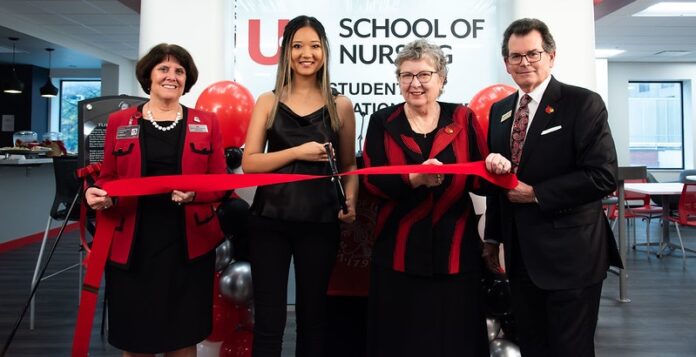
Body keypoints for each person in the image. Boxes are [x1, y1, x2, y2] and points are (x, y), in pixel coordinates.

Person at [483, 18, 623, 357]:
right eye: (516, 56)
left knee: (570, 349)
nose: (525, 62)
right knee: (533, 347)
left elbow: (602, 176)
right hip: (520, 260)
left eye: (533, 53)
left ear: (551, 56)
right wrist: (492, 237)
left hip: (572, 258)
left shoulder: (582, 104)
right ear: (506, 63)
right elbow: (500, 182)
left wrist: (536, 193)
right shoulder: (501, 112)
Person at [361, 39, 509, 357]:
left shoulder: (463, 118)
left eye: (424, 74)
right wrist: (415, 179)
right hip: (397, 252)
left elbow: (481, 181)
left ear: (441, 79)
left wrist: (495, 166)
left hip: (455, 253)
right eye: (406, 75)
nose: (415, 83)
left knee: (455, 342)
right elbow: (371, 182)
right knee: (399, 343)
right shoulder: (382, 121)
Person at [85, 44, 227, 356]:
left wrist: (195, 194)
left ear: (186, 80)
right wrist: (98, 193)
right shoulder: (119, 122)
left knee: (182, 338)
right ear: (148, 75)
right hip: (132, 246)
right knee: (136, 339)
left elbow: (221, 183)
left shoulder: (207, 123)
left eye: (179, 71)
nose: (171, 76)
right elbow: (107, 177)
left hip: (187, 247)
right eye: (163, 69)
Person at [241, 15, 357, 357]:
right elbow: (250, 163)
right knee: (269, 320)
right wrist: (297, 151)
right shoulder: (268, 101)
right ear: (286, 52)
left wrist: (349, 201)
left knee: (314, 317)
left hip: (320, 222)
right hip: (269, 222)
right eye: (298, 46)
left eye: (315, 46)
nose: (307, 53)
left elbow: (349, 165)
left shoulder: (341, 105)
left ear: (325, 51)